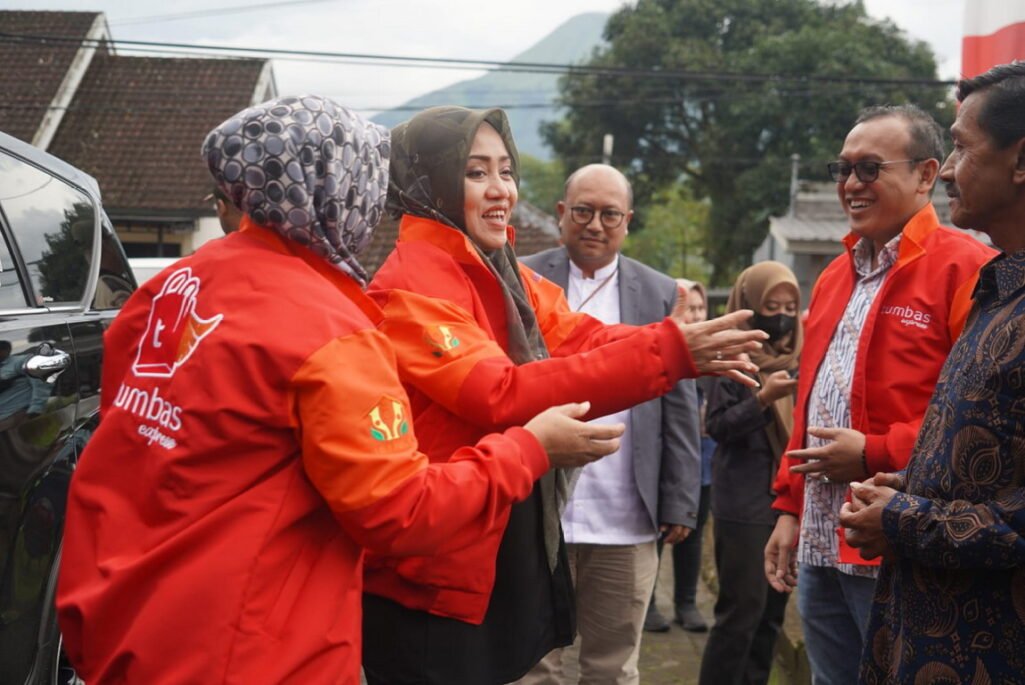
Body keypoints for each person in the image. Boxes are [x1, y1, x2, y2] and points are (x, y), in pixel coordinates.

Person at [54, 95, 626, 685]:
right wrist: (531, 449)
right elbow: (401, 511)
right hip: (248, 644)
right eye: (367, 188)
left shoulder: (171, 288)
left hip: (118, 615)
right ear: (333, 191)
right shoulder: (330, 328)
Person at [362, 105, 767, 684]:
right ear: (428, 182)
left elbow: (580, 337)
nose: (501, 189)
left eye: (506, 169)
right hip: (435, 561)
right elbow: (498, 393)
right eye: (476, 173)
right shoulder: (411, 284)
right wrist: (669, 353)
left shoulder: (500, 268)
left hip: (496, 533)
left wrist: (674, 343)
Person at [762, 104, 995, 685]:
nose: (850, 185)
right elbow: (813, 395)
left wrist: (873, 451)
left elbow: (981, 426)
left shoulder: (968, 270)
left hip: (902, 545)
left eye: (869, 169)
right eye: (844, 169)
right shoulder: (835, 273)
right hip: (822, 539)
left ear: (925, 175)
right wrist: (790, 507)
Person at [841, 61, 1025, 684]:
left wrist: (904, 518)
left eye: (963, 149)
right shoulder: (999, 289)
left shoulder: (966, 271)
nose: (946, 168)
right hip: (921, 632)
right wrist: (915, 481)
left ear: (1021, 161)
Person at [517, 164, 702, 684]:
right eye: (582, 211)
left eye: (609, 214)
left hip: (625, 513)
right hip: (536, 508)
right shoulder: (519, 275)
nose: (594, 224)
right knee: (531, 664)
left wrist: (679, 498)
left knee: (613, 664)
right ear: (560, 214)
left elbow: (679, 405)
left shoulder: (661, 292)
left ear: (628, 221)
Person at [699, 262, 802, 685]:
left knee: (772, 616)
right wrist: (762, 399)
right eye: (770, 305)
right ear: (749, 306)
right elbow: (718, 427)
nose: (781, 315)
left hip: (790, 502)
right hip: (744, 502)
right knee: (741, 613)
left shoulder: (804, 356)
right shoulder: (731, 355)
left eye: (790, 306)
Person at [670, 279, 715, 632]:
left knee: (694, 530)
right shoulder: (664, 354)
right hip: (666, 458)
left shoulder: (717, 355)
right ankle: (650, 604)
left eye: (700, 308)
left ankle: (686, 602)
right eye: (689, 309)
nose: (696, 315)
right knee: (657, 530)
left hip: (703, 461)